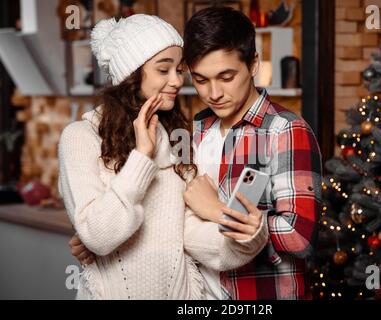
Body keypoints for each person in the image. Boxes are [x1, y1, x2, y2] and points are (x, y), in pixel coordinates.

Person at [59, 13, 267, 300]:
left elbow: (189, 232)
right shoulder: (81, 137)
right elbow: (99, 237)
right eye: (163, 70)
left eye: (179, 70)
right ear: (131, 73)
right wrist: (142, 159)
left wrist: (246, 236)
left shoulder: (176, 136)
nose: (177, 80)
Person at [181, 7, 323, 299]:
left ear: (254, 63)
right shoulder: (197, 130)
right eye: (201, 80)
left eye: (226, 76)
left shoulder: (285, 130)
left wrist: (216, 212)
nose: (214, 93)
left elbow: (299, 237)